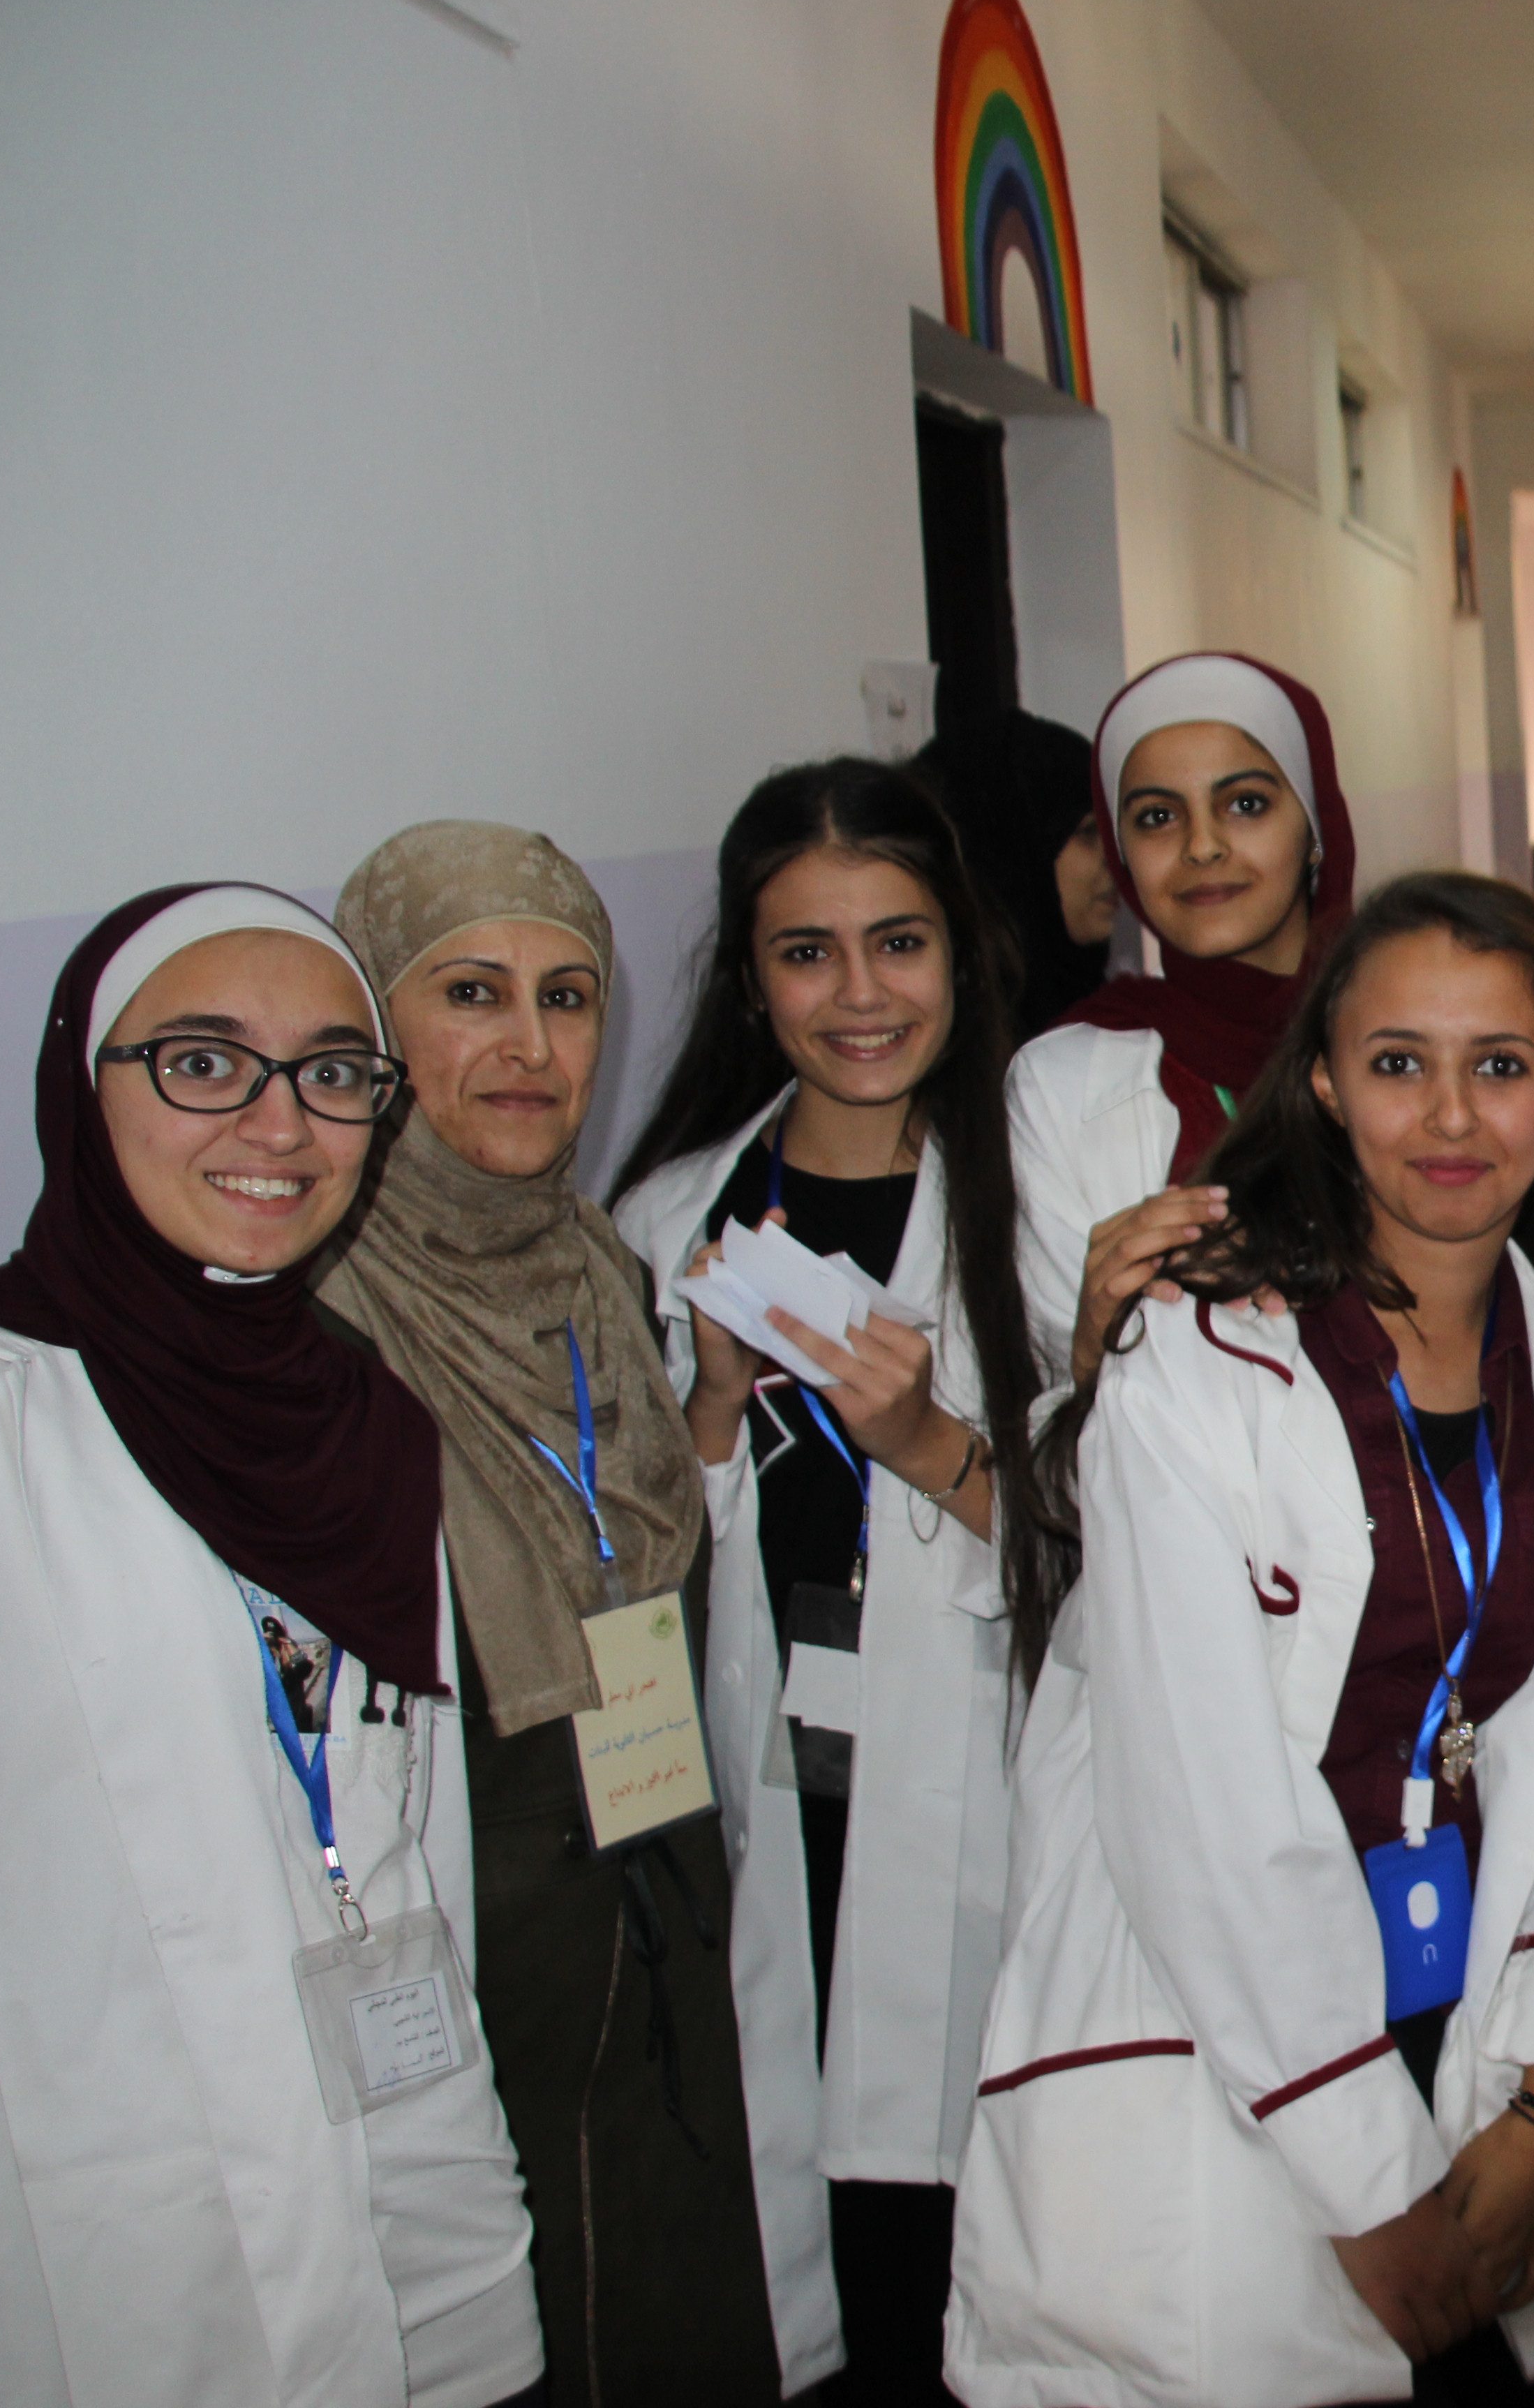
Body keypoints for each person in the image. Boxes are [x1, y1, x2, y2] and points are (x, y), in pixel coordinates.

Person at [947, 873, 1534, 2407]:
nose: (1450, 1116)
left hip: (1467, 2029)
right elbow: (1195, 1809)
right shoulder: (1193, 1363)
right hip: (1228, 2056)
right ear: (1324, 1082)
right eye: (1398, 1062)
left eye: (1501, 1063)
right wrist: (1366, 2179)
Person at [0, 884, 544, 2405]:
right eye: (202, 1062)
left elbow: (408, 1849)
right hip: (98, 2247)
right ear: (81, 1083)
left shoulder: (365, 1422)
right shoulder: (2, 1421)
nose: (281, 1124)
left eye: (333, 1074)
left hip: (406, 2168)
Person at [311, 824, 811, 2400]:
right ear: (372, 1029)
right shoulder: (322, 1319)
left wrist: (711, 1410)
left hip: (653, 1875)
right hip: (482, 1932)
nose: (531, 1046)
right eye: (470, 992)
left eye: (569, 995)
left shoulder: (599, 1265)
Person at [610, 761, 1048, 2405]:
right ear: (750, 976)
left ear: (963, 954)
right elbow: (628, 1578)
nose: (858, 994)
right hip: (780, 1803)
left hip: (992, 1793)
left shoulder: (1044, 1197)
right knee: (837, 2262)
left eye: (898, 942)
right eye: (807, 952)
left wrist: (926, 1442)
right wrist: (715, 1414)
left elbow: (1130, 1551)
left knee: (998, 2263)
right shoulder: (670, 1221)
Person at [1011, 650, 1358, 1383]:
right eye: (1158, 817)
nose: (1202, 846)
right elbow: (1054, 1394)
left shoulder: (1404, 1047)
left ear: (1315, 830)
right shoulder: (1060, 1081)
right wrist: (1094, 1342)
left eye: (1246, 804)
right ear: (1124, 857)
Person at [913, 703, 1116, 1030]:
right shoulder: (948, 1038)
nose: (1116, 860)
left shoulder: (1093, 1008)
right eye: (1089, 832)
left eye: (1115, 834)